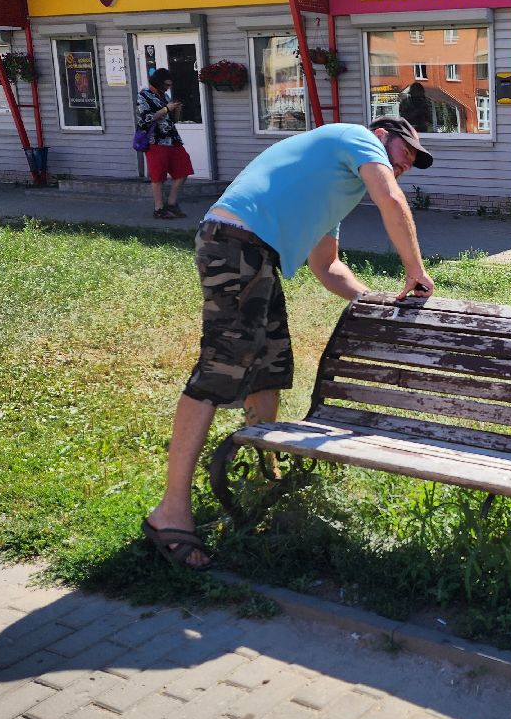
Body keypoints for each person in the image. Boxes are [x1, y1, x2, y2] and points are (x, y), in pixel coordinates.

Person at [140, 116, 437, 570]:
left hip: (254, 254)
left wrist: (372, 302)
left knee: (270, 365)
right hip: (235, 244)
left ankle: (262, 476)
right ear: (382, 137)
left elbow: (328, 267)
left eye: (414, 164)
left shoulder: (335, 185)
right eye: (406, 154)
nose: (406, 167)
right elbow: (391, 200)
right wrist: (415, 270)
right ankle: (170, 511)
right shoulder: (355, 138)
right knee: (218, 372)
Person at [136, 68, 193, 219]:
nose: (168, 88)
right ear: (158, 82)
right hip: (156, 140)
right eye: (166, 85)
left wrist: (177, 110)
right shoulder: (143, 96)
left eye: (169, 85)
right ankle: (159, 208)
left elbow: (173, 120)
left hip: (173, 139)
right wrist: (167, 108)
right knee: (158, 176)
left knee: (184, 169)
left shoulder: (165, 96)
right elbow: (146, 118)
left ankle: (172, 204)